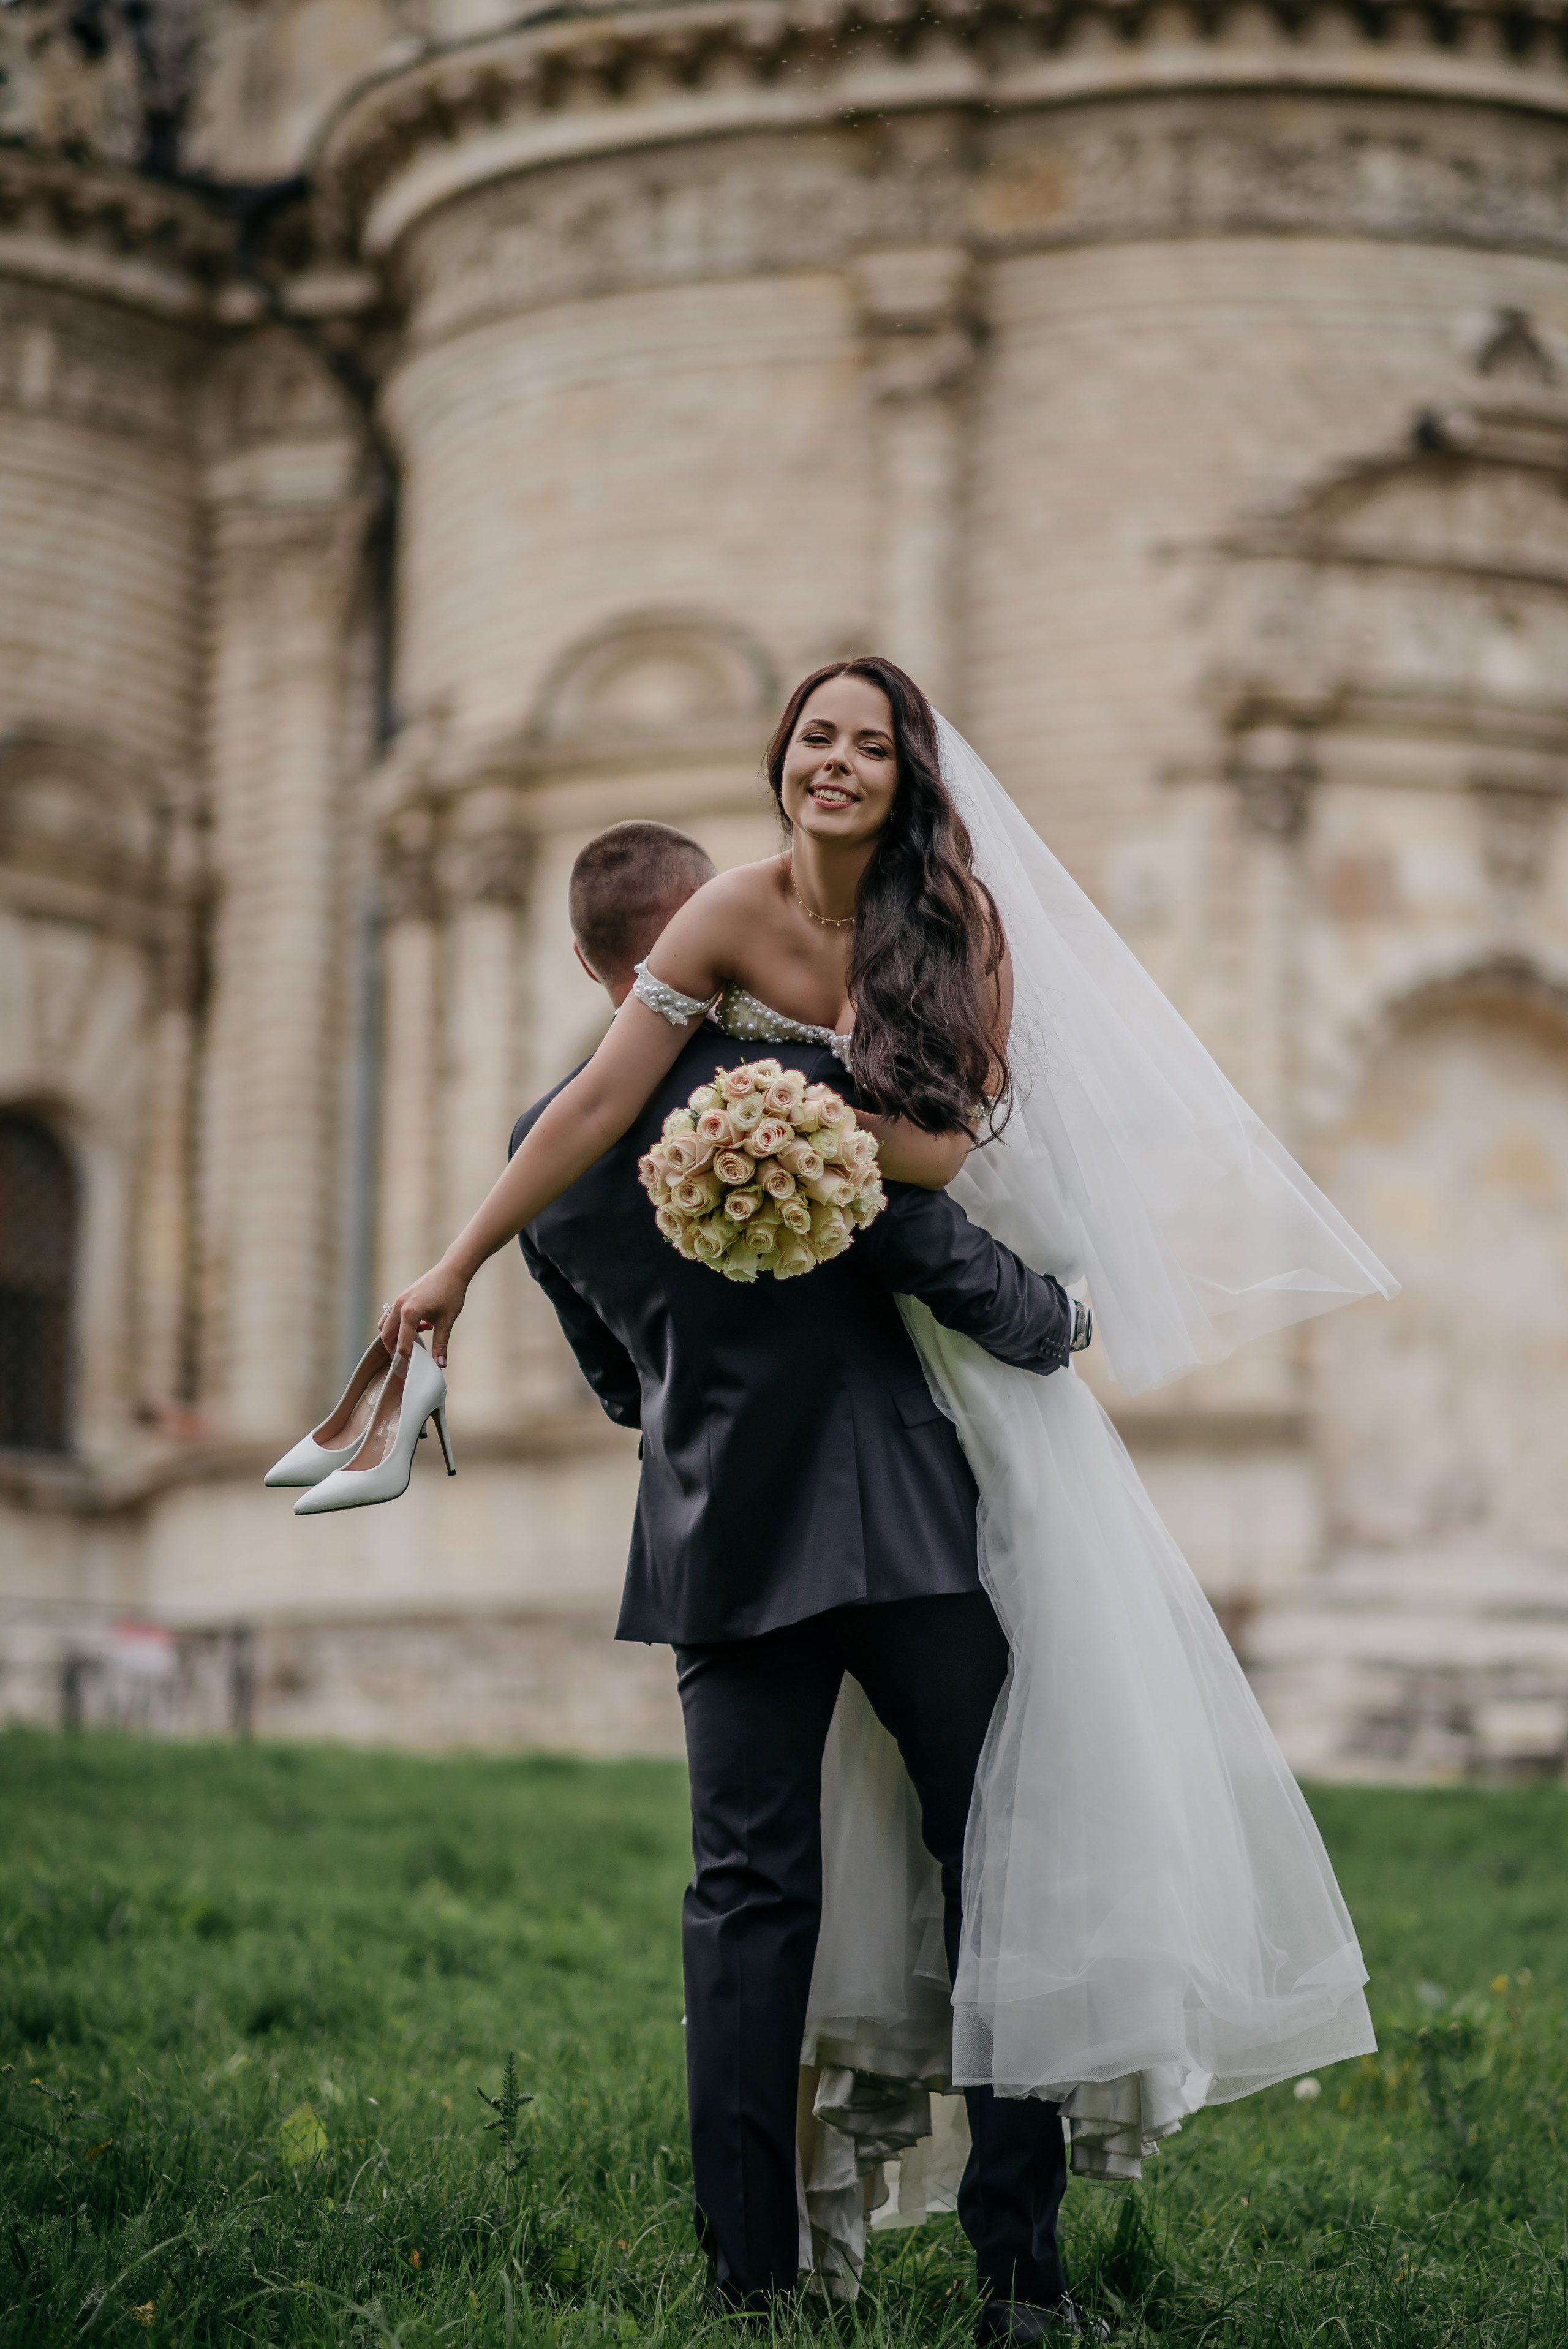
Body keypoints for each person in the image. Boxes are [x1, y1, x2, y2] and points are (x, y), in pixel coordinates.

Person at [383, 657, 1396, 2334]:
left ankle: (800, 2275)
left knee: (790, 1888)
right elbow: (913, 1233)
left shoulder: (839, 1008)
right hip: (879, 1505)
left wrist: (483, 1260)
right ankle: (971, 2270)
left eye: (868, 742)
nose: (836, 761)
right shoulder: (736, 1020)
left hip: (762, 1508)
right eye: (816, 736)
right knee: (957, 1862)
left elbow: (663, 1331)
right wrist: (1054, 1318)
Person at [509, 815, 1093, 2333]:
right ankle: (1017, 2277)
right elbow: (932, 1258)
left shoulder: (543, 1150)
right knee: (993, 1861)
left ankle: (750, 2284)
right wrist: (1061, 1322)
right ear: (708, 928)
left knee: (743, 1903)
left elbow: (618, 1381)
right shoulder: (794, 1084)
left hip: (716, 1539)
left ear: (588, 960)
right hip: (902, 1524)